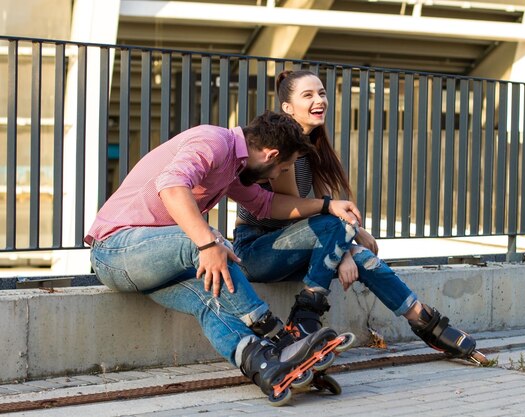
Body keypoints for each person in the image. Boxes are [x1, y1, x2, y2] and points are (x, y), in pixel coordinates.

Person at [84, 111, 363, 399]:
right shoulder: (212, 141)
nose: (279, 176)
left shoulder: (234, 166)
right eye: (283, 168)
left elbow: (266, 204)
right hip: (115, 250)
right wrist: (207, 244)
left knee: (209, 294)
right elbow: (171, 185)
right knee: (207, 241)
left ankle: (264, 364)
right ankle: (279, 336)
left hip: (157, 263)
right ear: (271, 155)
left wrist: (326, 205)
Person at [233, 71, 484, 363]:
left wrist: (348, 240)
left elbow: (328, 206)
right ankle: (305, 317)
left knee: (364, 255)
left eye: (322, 93)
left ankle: (424, 321)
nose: (319, 100)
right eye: (308, 95)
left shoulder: (313, 147)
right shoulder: (282, 150)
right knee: (342, 237)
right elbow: (298, 214)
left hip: (293, 246)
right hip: (256, 250)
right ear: (288, 108)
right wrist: (345, 250)